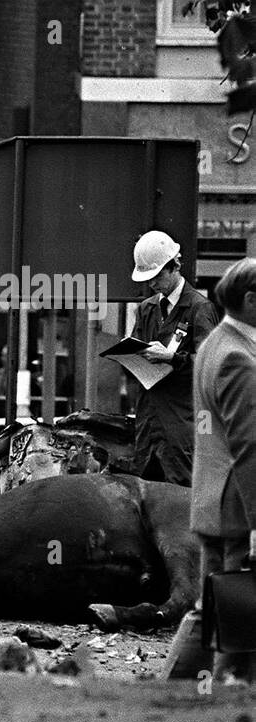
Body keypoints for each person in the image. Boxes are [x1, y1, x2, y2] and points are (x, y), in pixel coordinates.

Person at [186, 257, 256, 682]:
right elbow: (249, 446)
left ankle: (176, 693)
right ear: (251, 300)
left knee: (209, 612)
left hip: (212, 501)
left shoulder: (213, 345)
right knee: (238, 625)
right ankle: (226, 707)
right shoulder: (240, 359)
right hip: (238, 511)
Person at [126, 230, 220, 486]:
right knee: (145, 495)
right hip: (148, 424)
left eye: (157, 276)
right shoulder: (146, 309)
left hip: (181, 424)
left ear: (175, 266)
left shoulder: (200, 308)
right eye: (149, 279)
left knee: (182, 498)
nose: (153, 284)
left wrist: (172, 358)